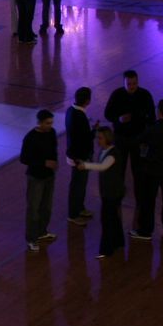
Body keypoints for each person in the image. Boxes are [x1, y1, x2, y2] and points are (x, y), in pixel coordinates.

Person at [132, 98, 163, 240]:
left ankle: (145, 230)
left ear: (158, 111)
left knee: (148, 199)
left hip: (153, 168)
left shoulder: (153, 129)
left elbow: (138, 141)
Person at [78, 125, 125, 259]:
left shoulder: (113, 154)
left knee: (107, 220)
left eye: (100, 138)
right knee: (113, 219)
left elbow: (103, 167)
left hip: (113, 192)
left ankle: (107, 249)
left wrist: (85, 165)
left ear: (107, 138)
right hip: (110, 191)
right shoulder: (105, 151)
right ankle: (118, 242)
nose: (98, 141)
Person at [21, 109, 59, 250]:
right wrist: (44, 163)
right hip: (36, 177)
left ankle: (42, 231)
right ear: (39, 123)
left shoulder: (52, 133)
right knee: (34, 208)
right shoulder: (30, 137)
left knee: (46, 206)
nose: (50, 126)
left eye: (51, 123)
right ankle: (32, 238)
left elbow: (54, 149)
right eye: (47, 123)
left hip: (49, 176)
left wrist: (54, 162)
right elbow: (24, 158)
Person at [103, 69, 155, 163]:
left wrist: (146, 140)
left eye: (134, 83)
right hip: (121, 138)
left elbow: (152, 118)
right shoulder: (117, 95)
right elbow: (107, 114)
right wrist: (118, 119)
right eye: (129, 84)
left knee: (138, 168)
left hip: (138, 137)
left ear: (138, 82)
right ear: (124, 83)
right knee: (120, 166)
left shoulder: (145, 95)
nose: (132, 87)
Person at [65, 86, 95, 224]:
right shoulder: (80, 117)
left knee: (80, 184)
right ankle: (73, 214)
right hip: (79, 157)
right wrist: (93, 132)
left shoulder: (70, 111)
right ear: (87, 100)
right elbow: (84, 139)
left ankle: (80, 208)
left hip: (74, 155)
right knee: (78, 185)